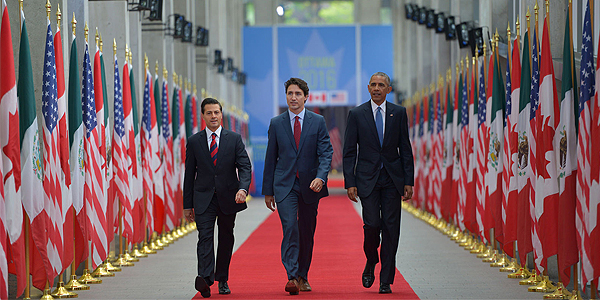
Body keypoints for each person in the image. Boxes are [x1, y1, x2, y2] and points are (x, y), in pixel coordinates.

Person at [342, 72, 414, 294]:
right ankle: (371, 259)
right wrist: (350, 182)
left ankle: (386, 279)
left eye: (381, 85)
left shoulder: (399, 113)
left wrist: (408, 181)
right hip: (367, 179)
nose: (376, 88)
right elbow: (348, 152)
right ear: (368, 87)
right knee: (372, 225)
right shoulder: (356, 114)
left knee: (392, 229)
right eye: (373, 84)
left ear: (388, 89)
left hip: (393, 179)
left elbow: (406, 149)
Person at [262, 77, 333, 295]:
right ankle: (291, 276)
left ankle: (303, 274)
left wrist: (321, 177)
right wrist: (268, 191)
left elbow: (326, 153)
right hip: (285, 185)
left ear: (305, 97)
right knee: (290, 226)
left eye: (298, 94)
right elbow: (270, 157)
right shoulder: (276, 123)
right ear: (286, 97)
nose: (293, 97)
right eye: (290, 93)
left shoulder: (317, 121)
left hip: (311, 186)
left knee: (306, 231)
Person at [183, 98, 252, 298]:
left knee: (225, 237)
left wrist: (243, 189)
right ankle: (205, 280)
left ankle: (222, 279)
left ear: (221, 115)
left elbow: (244, 167)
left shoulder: (234, 139)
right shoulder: (194, 141)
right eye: (209, 113)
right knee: (204, 237)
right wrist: (187, 205)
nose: (213, 116)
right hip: (203, 198)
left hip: (229, 197)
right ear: (203, 115)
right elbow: (189, 175)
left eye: (216, 112)